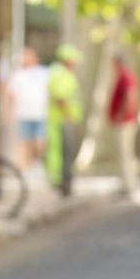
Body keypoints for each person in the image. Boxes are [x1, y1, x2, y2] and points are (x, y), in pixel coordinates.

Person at [45, 45, 84, 197]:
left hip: (62, 119)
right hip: (61, 120)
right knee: (63, 153)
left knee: (64, 153)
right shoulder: (60, 74)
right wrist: (68, 114)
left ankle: (63, 182)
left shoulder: (61, 73)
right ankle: (62, 183)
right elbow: (60, 97)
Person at [7, 46, 50, 172]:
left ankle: (39, 164)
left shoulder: (44, 73)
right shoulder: (17, 75)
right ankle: (26, 168)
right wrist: (10, 114)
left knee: (40, 142)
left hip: (40, 113)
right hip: (23, 114)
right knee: (25, 142)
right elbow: (11, 95)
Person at [108, 50, 140, 198]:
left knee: (124, 153)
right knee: (125, 153)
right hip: (126, 120)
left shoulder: (125, 77)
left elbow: (130, 96)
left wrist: (122, 115)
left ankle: (128, 185)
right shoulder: (124, 76)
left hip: (125, 122)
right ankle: (127, 182)